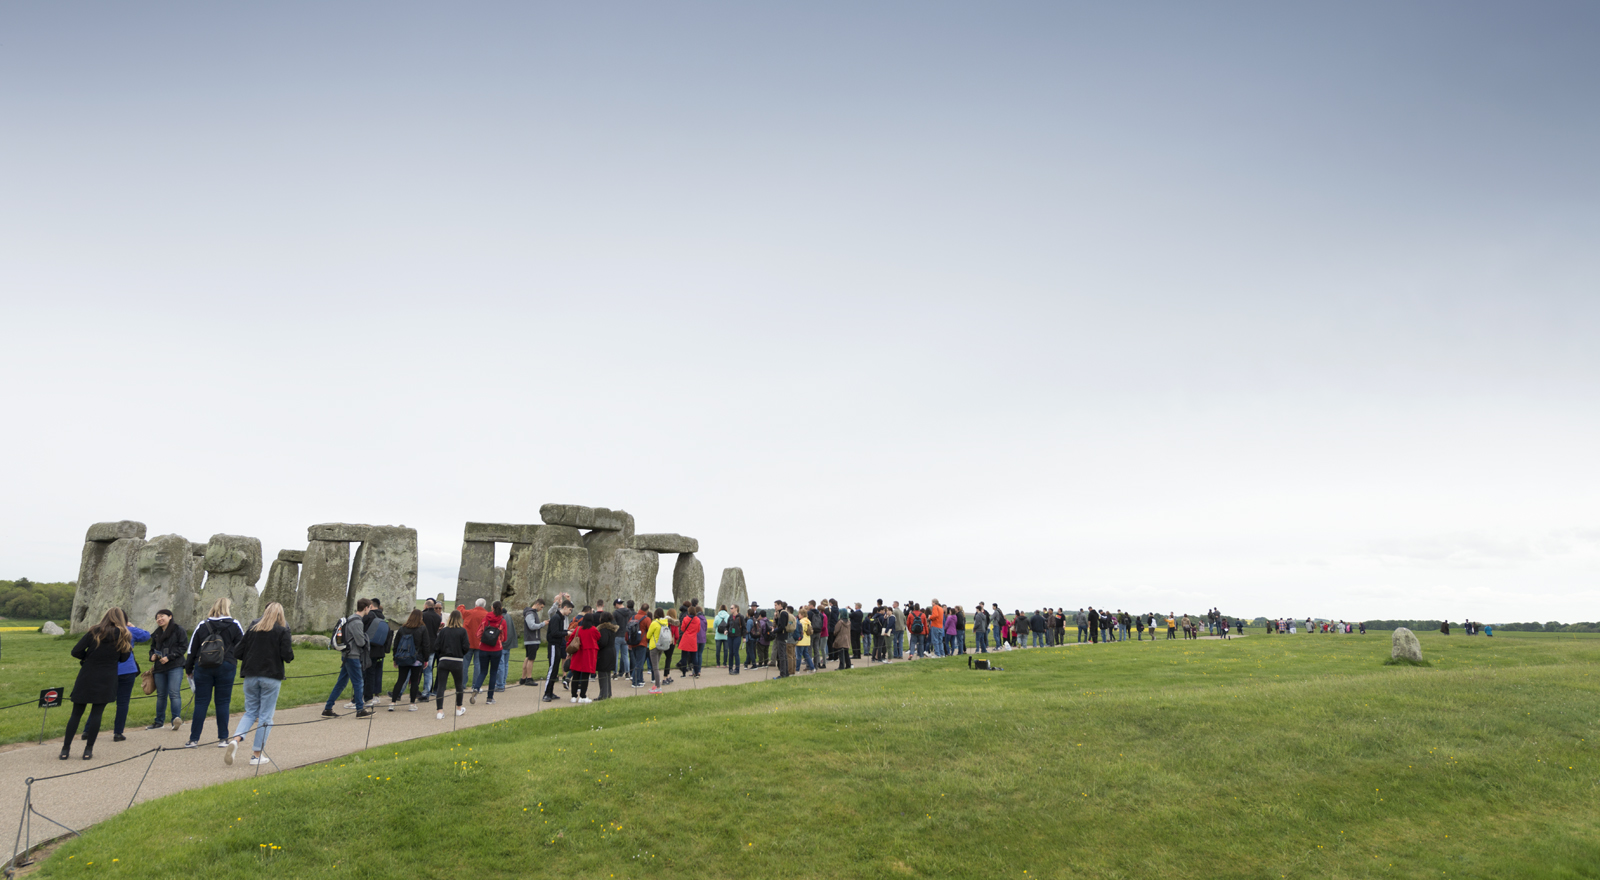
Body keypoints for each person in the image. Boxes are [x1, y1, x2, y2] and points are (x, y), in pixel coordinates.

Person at [222, 601, 294, 766]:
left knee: (250, 712)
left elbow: (238, 651)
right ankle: (256, 755)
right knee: (266, 716)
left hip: (251, 675)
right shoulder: (282, 630)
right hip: (271, 676)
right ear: (280, 615)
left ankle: (236, 739)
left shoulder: (253, 628)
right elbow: (287, 655)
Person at [61, 608, 131, 760]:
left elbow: (76, 651)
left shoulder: (95, 631)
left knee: (76, 714)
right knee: (96, 714)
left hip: (88, 673)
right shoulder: (124, 634)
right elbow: (124, 658)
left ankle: (65, 749)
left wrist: (87, 657)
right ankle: (88, 750)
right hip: (108, 676)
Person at [186, 597, 247, 747]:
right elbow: (243, 647)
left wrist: (188, 669)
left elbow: (192, 649)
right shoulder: (234, 624)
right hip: (226, 665)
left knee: (201, 702)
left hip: (203, 665)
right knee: (223, 702)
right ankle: (223, 738)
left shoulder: (202, 624)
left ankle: (194, 739)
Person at [321, 599, 374, 719]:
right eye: (369, 608)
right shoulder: (357, 622)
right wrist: (366, 638)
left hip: (346, 655)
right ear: (365, 608)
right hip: (353, 656)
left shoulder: (350, 618)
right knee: (359, 682)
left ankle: (328, 708)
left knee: (341, 682)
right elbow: (360, 642)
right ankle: (360, 709)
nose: (370, 610)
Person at [109, 609, 150, 741]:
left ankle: (87, 730)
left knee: (100, 701)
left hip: (108, 669)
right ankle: (118, 732)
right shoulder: (128, 630)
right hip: (127, 668)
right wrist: (131, 626)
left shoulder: (104, 631)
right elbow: (146, 635)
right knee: (123, 702)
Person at [145, 609, 186, 730]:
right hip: (159, 667)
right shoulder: (156, 633)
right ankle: (159, 722)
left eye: (162, 616)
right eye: (157, 617)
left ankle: (176, 721)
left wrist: (170, 657)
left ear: (170, 617)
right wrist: (152, 656)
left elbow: (183, 647)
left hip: (175, 666)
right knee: (161, 695)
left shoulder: (179, 630)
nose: (159, 619)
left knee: (174, 693)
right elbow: (152, 648)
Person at [388, 609, 434, 711]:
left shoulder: (402, 628)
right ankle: (412, 704)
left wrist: (395, 658)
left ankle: (393, 702)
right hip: (417, 659)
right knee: (414, 681)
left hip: (403, 657)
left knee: (400, 679)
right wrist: (426, 659)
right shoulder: (422, 628)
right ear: (420, 617)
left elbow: (396, 644)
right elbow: (426, 645)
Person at [432, 609, 470, 718]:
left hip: (444, 660)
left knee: (441, 687)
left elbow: (436, 646)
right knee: (459, 686)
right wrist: (460, 653)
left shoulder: (443, 631)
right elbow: (466, 647)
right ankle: (458, 708)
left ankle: (440, 711)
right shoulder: (462, 631)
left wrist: (441, 655)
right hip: (457, 661)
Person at [470, 601, 508, 704]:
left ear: (492, 608)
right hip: (496, 649)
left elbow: (478, 634)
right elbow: (504, 638)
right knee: (493, 673)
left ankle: (476, 688)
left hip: (484, 648)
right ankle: (489, 698)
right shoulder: (502, 621)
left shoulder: (486, 619)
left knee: (483, 671)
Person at [541, 599, 573, 703]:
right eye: (569, 609)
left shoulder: (561, 618)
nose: (570, 612)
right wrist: (566, 633)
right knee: (552, 669)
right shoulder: (556, 618)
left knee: (555, 669)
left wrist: (567, 631)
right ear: (564, 607)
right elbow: (554, 633)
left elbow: (558, 631)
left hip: (558, 645)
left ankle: (550, 692)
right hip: (554, 645)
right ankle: (546, 693)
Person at [566, 611, 600, 703]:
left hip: (578, 654)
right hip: (588, 655)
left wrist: (569, 652)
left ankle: (573, 696)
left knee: (575, 676)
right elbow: (598, 637)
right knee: (585, 676)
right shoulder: (593, 629)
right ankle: (583, 696)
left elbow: (570, 640)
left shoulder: (578, 629)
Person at [362, 599, 391, 707]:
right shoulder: (383, 618)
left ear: (370, 606)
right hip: (380, 650)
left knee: (366, 674)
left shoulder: (369, 616)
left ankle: (365, 697)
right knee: (376, 673)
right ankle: (376, 696)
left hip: (369, 649)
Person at [520, 599, 547, 685]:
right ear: (537, 604)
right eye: (541, 607)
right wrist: (543, 624)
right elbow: (532, 626)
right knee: (531, 659)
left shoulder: (531, 612)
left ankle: (523, 678)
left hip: (531, 640)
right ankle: (529, 678)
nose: (541, 609)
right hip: (532, 640)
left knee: (528, 658)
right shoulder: (530, 613)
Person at [421, 598, 443, 695]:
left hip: (422, 644)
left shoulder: (423, 615)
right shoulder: (438, 617)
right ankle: (427, 691)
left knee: (416, 669)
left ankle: (412, 689)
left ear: (426, 606)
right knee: (429, 669)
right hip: (433, 644)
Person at [646, 609, 670, 693]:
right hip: (662, 646)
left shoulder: (654, 623)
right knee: (656, 666)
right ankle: (656, 685)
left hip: (654, 646)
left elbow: (648, 635)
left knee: (655, 668)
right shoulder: (665, 622)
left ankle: (658, 687)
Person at [595, 613, 618, 700]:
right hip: (611, 651)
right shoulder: (611, 629)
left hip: (605, 653)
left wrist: (597, 645)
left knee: (603, 674)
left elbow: (603, 642)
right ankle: (608, 693)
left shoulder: (604, 629)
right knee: (607, 674)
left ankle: (603, 695)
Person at [677, 606, 704, 677]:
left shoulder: (686, 619)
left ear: (689, 611)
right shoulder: (697, 620)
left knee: (684, 657)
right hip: (693, 639)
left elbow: (682, 629)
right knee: (694, 657)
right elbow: (698, 630)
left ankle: (683, 673)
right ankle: (697, 672)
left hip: (685, 639)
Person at [725, 605, 744, 675]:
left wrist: (744, 637)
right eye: (730, 608)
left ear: (736, 609)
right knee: (730, 653)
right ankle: (730, 668)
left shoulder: (740, 617)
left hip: (737, 636)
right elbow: (727, 626)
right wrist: (725, 630)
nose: (730, 609)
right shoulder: (730, 617)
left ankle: (737, 669)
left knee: (736, 652)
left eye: (732, 608)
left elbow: (744, 627)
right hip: (730, 636)